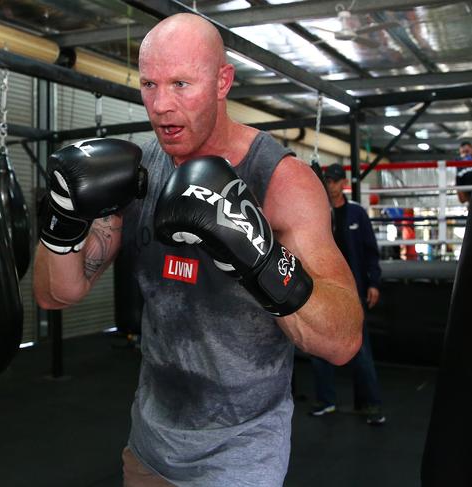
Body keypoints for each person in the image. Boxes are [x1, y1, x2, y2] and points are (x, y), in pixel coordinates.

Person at [33, 13, 363, 487]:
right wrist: (64, 222)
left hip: (241, 456)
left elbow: (343, 340)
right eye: (149, 84)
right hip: (150, 445)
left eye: (182, 84)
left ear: (223, 81)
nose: (161, 105)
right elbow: (56, 294)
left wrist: (260, 257)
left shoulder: (281, 180)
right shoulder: (139, 170)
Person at [309, 163, 385, 425]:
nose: (329, 185)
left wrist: (373, 283)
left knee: (361, 350)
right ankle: (326, 400)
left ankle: (372, 404)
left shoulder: (356, 214)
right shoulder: (317, 213)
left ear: (343, 183)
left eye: (333, 181)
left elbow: (370, 252)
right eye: (326, 181)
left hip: (353, 291)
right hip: (321, 290)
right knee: (319, 349)